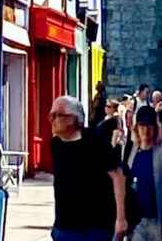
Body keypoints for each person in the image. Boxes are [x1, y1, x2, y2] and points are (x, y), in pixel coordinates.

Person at [49, 95, 128, 241]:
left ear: (71, 119)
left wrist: (120, 218)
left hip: (94, 228)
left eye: (56, 115)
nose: (51, 120)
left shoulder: (94, 141)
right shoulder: (56, 144)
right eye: (51, 115)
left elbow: (118, 176)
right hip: (64, 227)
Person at [125, 105, 162, 241]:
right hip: (136, 222)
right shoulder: (130, 150)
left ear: (156, 128)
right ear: (136, 128)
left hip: (158, 220)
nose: (145, 130)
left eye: (149, 126)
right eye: (142, 126)